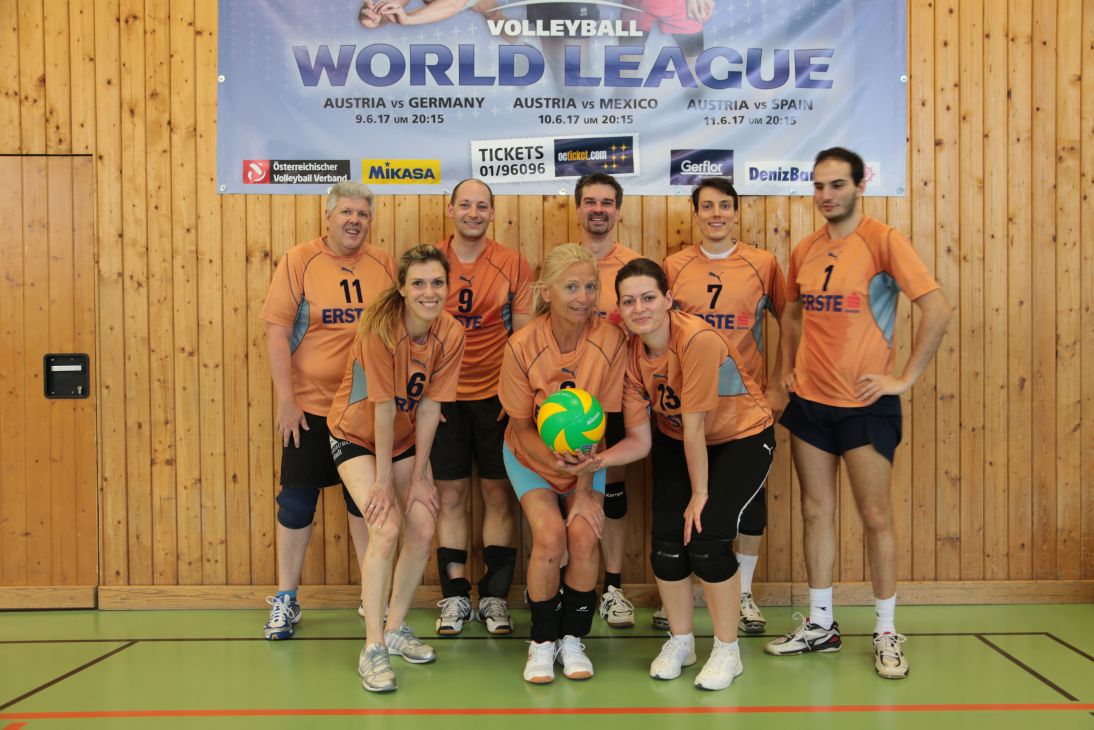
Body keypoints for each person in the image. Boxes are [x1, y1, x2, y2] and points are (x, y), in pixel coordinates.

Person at [764, 147, 952, 679]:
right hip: (811, 403)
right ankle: (821, 625)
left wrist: (904, 378)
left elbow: (937, 308)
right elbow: (793, 313)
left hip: (867, 406)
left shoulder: (883, 240)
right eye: (819, 186)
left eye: (837, 185)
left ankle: (886, 630)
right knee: (815, 512)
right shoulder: (806, 248)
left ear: (859, 186)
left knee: (875, 517)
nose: (826, 195)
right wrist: (787, 369)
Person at [560, 257, 774, 690]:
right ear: (620, 309)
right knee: (666, 546)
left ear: (668, 299)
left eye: (648, 298)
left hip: (741, 438)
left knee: (708, 538)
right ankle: (681, 641)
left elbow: (696, 427)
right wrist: (597, 461)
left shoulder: (696, 340)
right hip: (677, 442)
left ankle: (727, 650)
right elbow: (640, 441)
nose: (639, 308)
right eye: (629, 301)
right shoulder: (632, 354)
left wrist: (700, 494)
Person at [327, 244, 466, 693]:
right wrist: (385, 482)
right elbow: (382, 409)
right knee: (385, 527)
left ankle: (395, 627)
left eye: (438, 282)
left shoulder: (451, 332)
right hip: (354, 434)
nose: (430, 292)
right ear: (403, 289)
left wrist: (420, 475)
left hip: (403, 438)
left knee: (423, 523)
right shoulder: (381, 329)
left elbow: (430, 408)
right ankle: (372, 647)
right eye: (419, 283)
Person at [259, 181, 394, 641]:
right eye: (347, 213)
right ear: (329, 216)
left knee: (365, 504)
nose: (355, 221)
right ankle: (286, 597)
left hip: (362, 409)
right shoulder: (300, 261)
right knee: (296, 502)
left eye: (363, 214)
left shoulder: (383, 264)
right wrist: (286, 400)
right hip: (310, 407)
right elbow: (277, 333)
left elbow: (397, 332)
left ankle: (371, 597)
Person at [660, 177, 788, 634]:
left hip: (745, 406)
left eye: (725, 206)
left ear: (736, 213)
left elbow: (789, 318)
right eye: (707, 206)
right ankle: (681, 594)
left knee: (745, 504)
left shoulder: (762, 263)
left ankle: (745, 593)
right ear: (695, 214)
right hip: (689, 407)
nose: (716, 214)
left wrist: (779, 385)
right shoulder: (674, 266)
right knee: (686, 500)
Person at [498, 244, 627, 684]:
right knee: (551, 536)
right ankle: (541, 641)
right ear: (546, 291)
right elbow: (519, 428)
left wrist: (584, 485)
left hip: (588, 458)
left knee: (585, 536)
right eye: (571, 287)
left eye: (590, 287)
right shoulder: (522, 345)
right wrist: (556, 463)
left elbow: (602, 425)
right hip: (530, 456)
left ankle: (572, 638)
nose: (583, 297)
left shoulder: (610, 341)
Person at [431, 179, 534, 636]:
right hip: (443, 399)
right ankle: (454, 597)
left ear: (493, 213)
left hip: (495, 398)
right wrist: (424, 397)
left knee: (497, 494)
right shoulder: (430, 260)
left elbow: (524, 339)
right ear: (450, 209)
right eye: (465, 204)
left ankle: (494, 598)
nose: (473, 213)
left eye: (481, 206)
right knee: (450, 497)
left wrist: (516, 398)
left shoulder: (512, 263)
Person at [573, 172, 642, 629]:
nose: (598, 209)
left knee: (612, 488)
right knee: (569, 487)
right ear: (578, 208)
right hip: (568, 401)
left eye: (606, 202)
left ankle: (613, 590)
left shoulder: (634, 265)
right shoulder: (563, 263)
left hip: (618, 395)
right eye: (590, 201)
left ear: (618, 210)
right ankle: (570, 584)